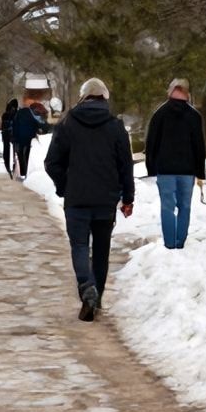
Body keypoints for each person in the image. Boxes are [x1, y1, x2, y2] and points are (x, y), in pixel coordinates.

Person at [45, 78, 135, 321]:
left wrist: (65, 186)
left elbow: (51, 163)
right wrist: (128, 197)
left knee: (80, 247)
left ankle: (87, 288)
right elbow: (126, 166)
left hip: (77, 199)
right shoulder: (116, 127)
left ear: (83, 98)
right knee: (102, 251)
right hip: (106, 200)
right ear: (104, 99)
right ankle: (96, 300)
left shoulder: (67, 124)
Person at [144, 77, 206, 250]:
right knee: (185, 206)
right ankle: (180, 242)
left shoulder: (160, 114)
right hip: (187, 171)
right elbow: (199, 146)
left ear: (170, 91)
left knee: (167, 206)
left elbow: (151, 143)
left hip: (165, 170)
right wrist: (200, 172)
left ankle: (170, 243)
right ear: (187, 93)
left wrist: (151, 167)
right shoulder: (194, 116)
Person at [12, 100, 50, 182]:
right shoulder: (33, 116)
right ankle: (25, 174)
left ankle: (23, 174)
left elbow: (15, 124)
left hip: (20, 139)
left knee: (21, 156)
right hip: (27, 139)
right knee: (26, 156)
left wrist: (14, 137)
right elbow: (42, 125)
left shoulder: (22, 113)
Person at [0, 98, 19, 178]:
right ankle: (12, 166)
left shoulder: (5, 115)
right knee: (14, 151)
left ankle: (9, 166)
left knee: (7, 151)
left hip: (6, 135)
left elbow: (3, 126)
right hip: (13, 134)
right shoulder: (16, 114)